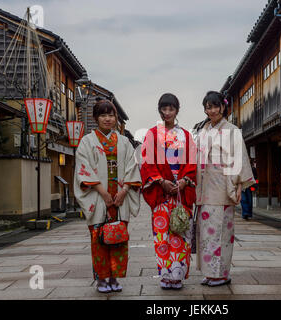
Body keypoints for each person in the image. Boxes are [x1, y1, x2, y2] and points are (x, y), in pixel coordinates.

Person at [74, 100, 141, 293]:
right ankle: (102, 279)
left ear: (115, 118)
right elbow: (83, 169)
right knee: (99, 241)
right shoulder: (87, 141)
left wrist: (124, 191)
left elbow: (132, 167)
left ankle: (114, 278)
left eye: (111, 115)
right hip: (97, 197)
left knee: (119, 239)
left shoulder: (123, 141)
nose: (107, 119)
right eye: (103, 115)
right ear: (96, 118)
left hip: (121, 199)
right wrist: (103, 193)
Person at [195, 91, 255, 287]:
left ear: (223, 106)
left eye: (214, 106)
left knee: (220, 233)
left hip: (223, 186)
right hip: (204, 188)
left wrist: (238, 186)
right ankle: (209, 272)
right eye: (207, 107)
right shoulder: (202, 131)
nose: (211, 110)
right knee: (206, 233)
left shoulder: (232, 130)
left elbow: (239, 159)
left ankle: (221, 274)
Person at [140, 93, 197, 290]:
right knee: (162, 234)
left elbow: (192, 163)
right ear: (160, 110)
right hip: (161, 193)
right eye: (164, 109)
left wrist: (183, 181)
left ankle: (177, 275)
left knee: (180, 233)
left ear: (177, 110)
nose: (167, 113)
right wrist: (160, 181)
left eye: (171, 109)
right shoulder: (152, 134)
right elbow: (147, 162)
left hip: (181, 193)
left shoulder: (186, 136)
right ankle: (165, 275)